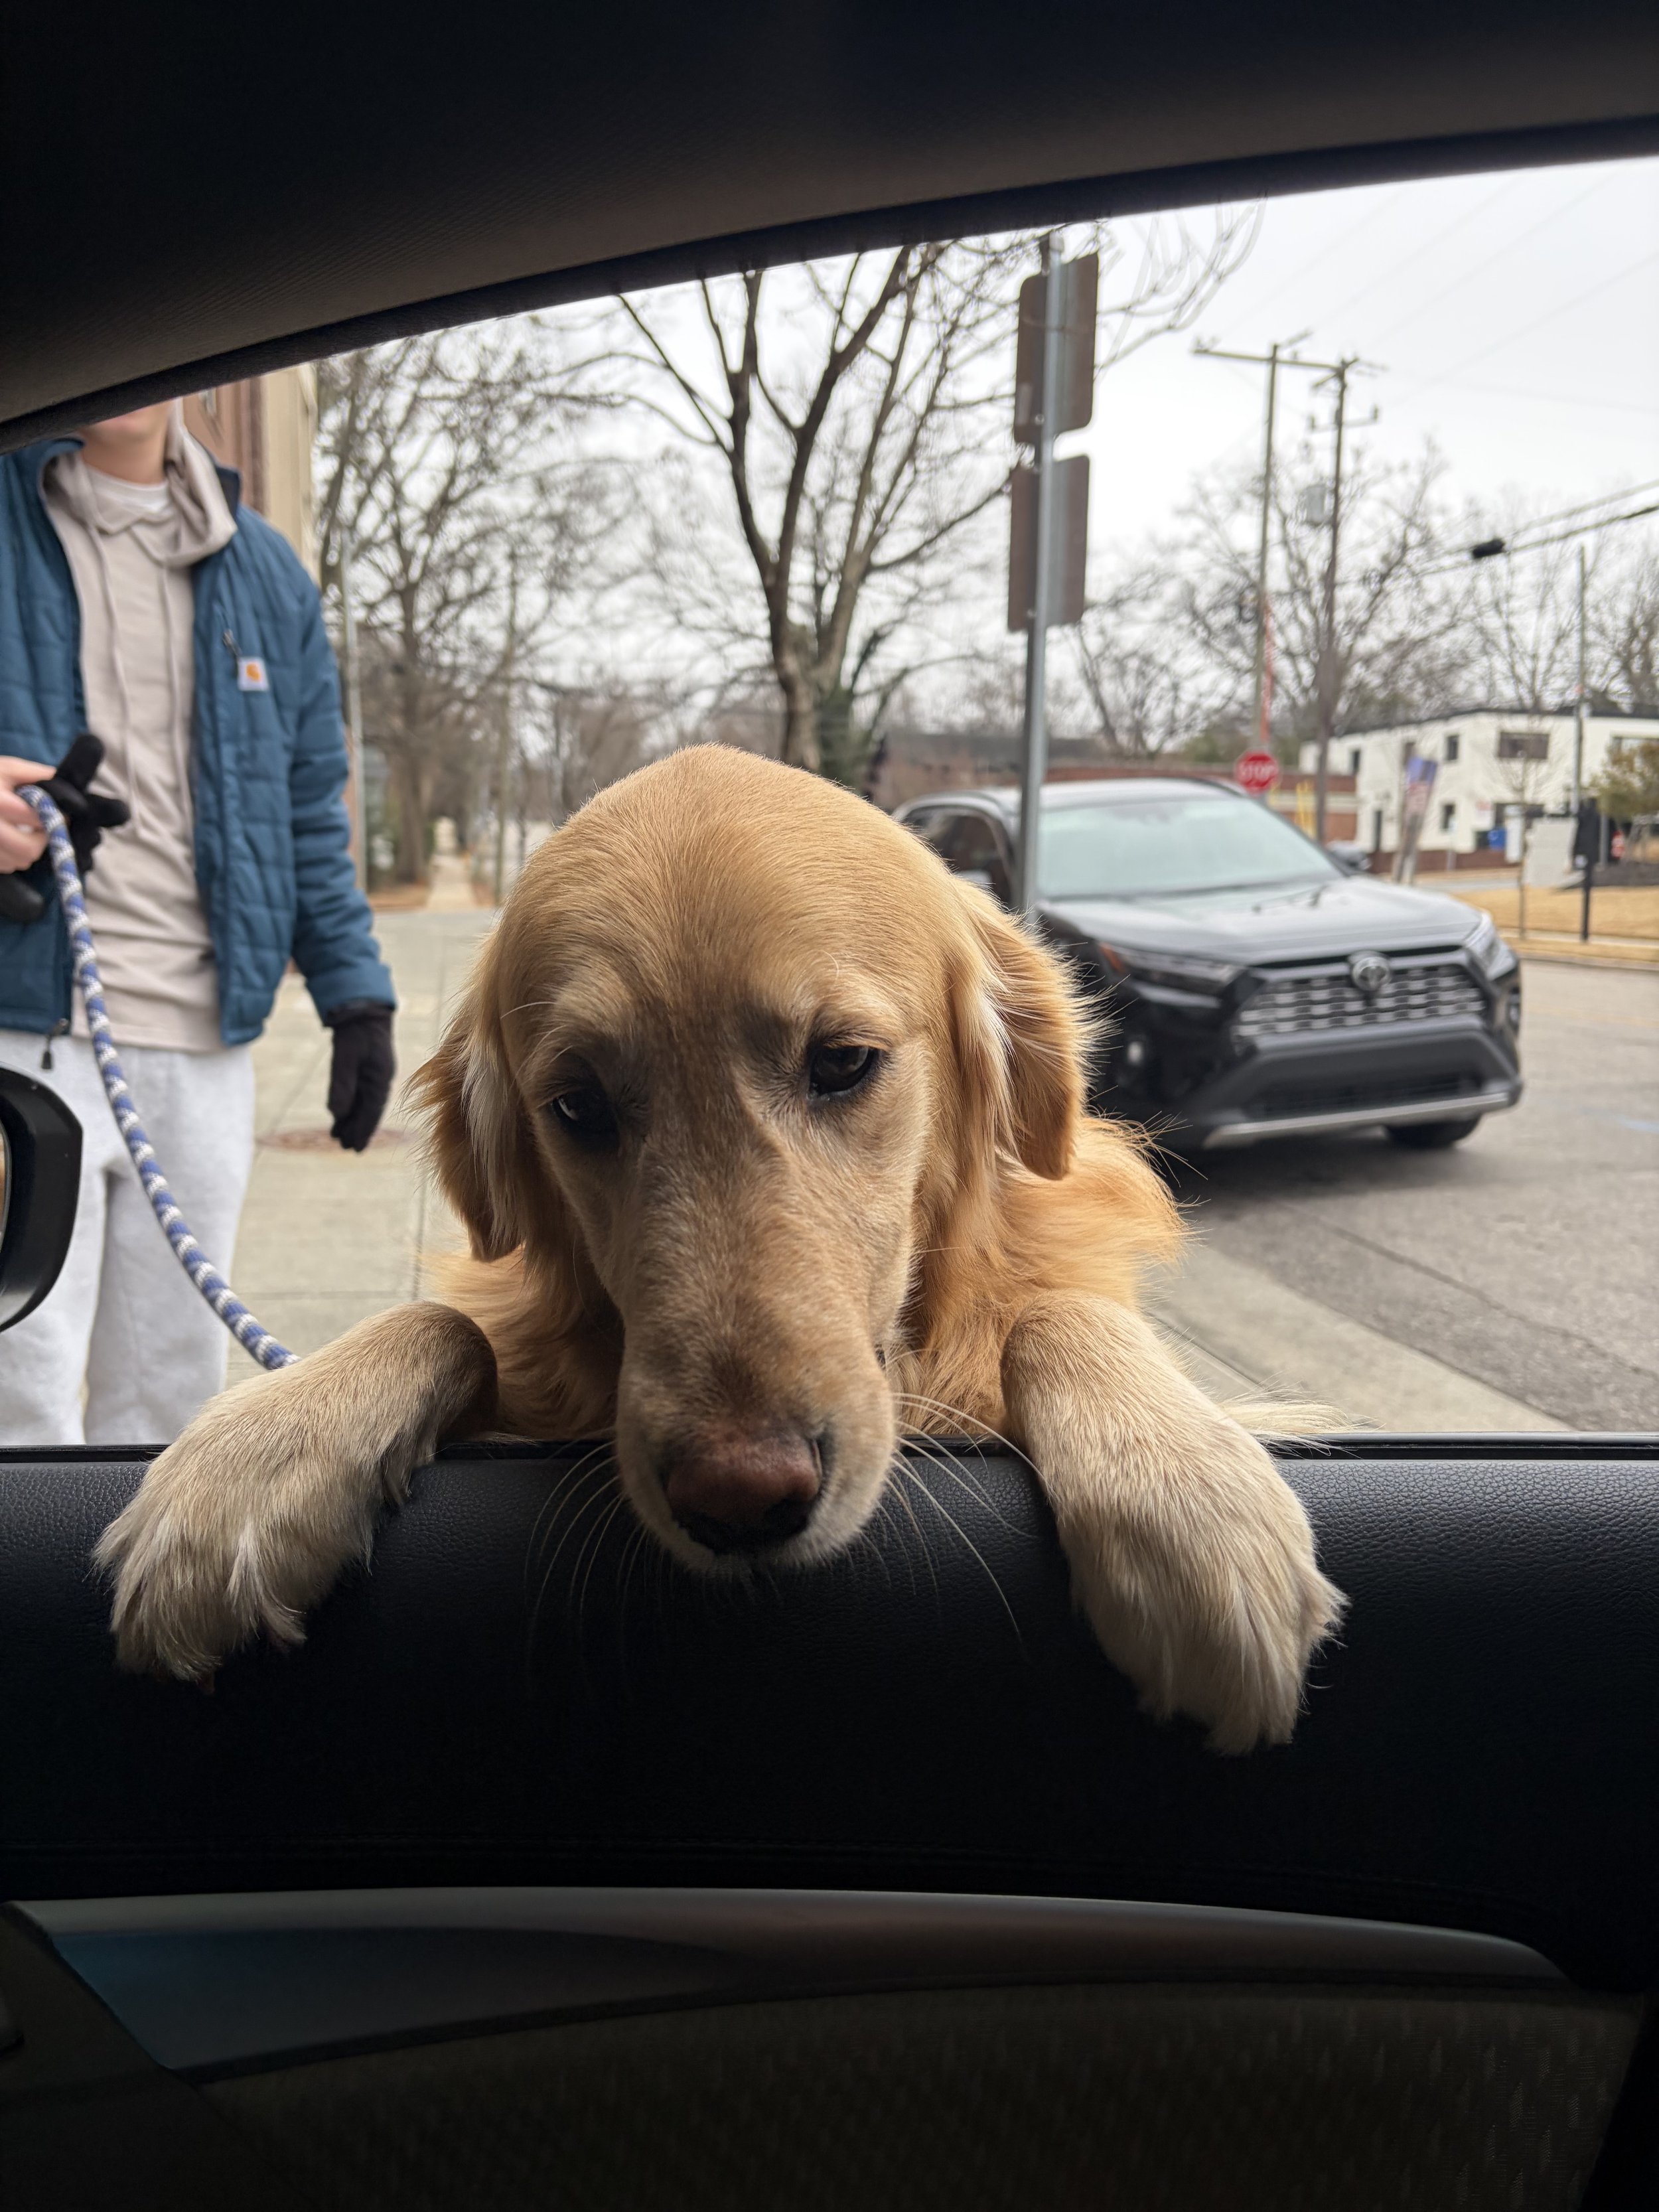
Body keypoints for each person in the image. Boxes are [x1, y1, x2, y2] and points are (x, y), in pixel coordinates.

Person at [0, 400, 395, 1446]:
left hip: (204, 1041)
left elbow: (309, 807)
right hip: (24, 1029)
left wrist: (355, 992)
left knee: (176, 1399)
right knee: (16, 1383)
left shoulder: (268, 576)